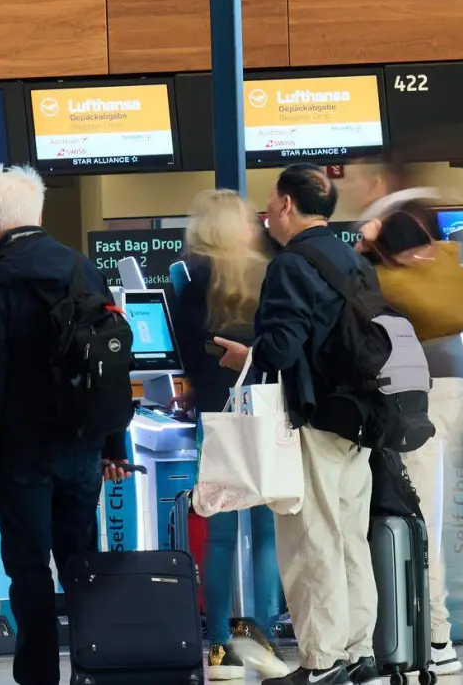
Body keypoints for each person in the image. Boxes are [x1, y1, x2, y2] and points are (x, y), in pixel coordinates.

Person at [0, 165, 135, 685]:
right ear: (38, 212)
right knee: (81, 563)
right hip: (81, 445)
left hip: (22, 452)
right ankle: (92, 666)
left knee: (29, 569)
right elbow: (110, 364)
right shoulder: (81, 267)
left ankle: (37, 675)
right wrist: (113, 446)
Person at [212, 164, 378, 685]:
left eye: (269, 202)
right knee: (349, 536)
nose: (266, 212)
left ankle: (320, 661)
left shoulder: (291, 265)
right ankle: (358, 651)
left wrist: (248, 353)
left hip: (313, 419)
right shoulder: (352, 259)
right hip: (358, 419)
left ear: (287, 205)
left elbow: (283, 347)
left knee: (311, 541)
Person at [350, 162, 463, 675]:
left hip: (422, 400)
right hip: (451, 388)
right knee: (426, 514)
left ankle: (437, 638)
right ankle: (432, 632)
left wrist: (367, 249)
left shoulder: (388, 271)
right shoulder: (433, 250)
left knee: (418, 517)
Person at [171, 189, 286, 680]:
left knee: (218, 533)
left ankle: (219, 646)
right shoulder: (272, 272)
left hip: (216, 416)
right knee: (266, 532)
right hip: (265, 410)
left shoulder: (191, 278)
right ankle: (265, 635)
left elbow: (186, 354)